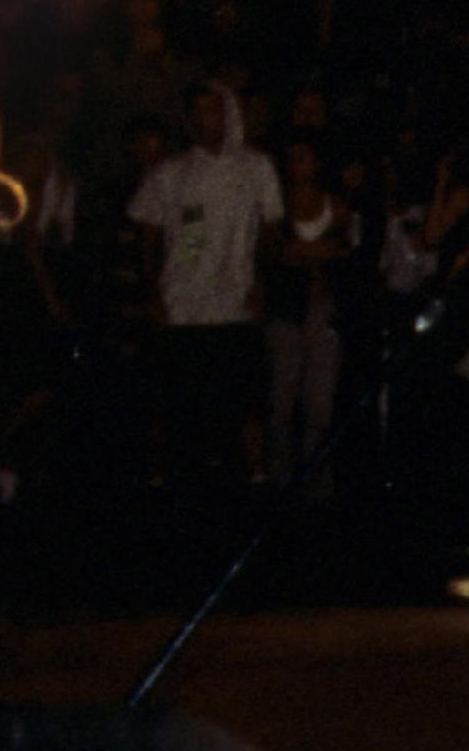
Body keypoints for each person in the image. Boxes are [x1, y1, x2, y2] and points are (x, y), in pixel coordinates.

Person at [127, 78, 282, 488]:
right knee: (177, 402)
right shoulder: (172, 172)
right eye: (195, 112)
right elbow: (150, 233)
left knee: (243, 398)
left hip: (236, 305)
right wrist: (152, 291)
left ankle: (255, 477)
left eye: (211, 110)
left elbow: (270, 230)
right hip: (182, 308)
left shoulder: (256, 167)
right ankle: (169, 480)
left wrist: (263, 281)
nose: (203, 120)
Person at [263, 135, 353, 496]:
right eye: (290, 157)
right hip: (285, 310)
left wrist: (308, 252)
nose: (295, 164)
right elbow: (276, 253)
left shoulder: (338, 207)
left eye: (302, 156)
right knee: (281, 400)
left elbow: (343, 251)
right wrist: (317, 251)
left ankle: (318, 481)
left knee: (320, 401)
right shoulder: (274, 207)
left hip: (324, 311)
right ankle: (279, 478)